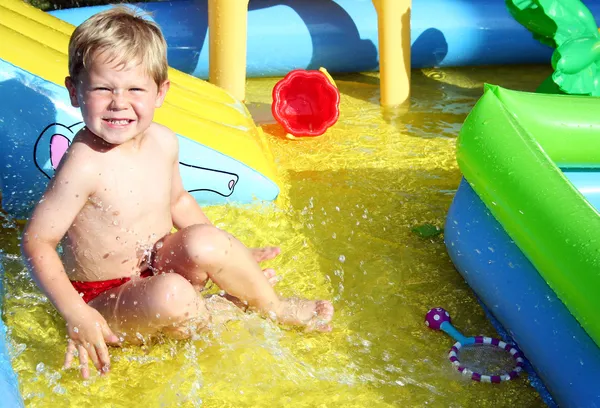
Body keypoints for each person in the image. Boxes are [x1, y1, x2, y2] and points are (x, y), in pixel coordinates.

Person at [20, 7, 334, 380]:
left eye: (135, 89)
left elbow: (178, 202)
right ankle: (220, 315)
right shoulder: (84, 163)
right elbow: (38, 241)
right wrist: (76, 313)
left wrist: (230, 257)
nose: (119, 102)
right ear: (75, 91)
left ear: (160, 92)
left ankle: (274, 308)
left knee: (206, 240)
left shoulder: (163, 141)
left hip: (160, 267)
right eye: (104, 88)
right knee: (172, 293)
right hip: (105, 300)